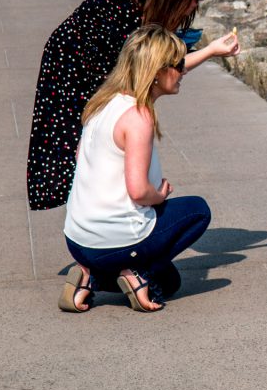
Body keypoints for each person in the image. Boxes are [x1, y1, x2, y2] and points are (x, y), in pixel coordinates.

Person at [27, 0, 241, 211]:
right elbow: (162, 70)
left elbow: (164, 67)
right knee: (79, 141)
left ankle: (95, 212)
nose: (198, 2)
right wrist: (211, 51)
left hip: (85, 61)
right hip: (72, 69)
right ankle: (103, 218)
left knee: (95, 140)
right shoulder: (124, 10)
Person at [60, 24, 212, 313]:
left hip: (77, 239)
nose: (184, 71)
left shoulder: (102, 103)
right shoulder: (138, 116)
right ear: (157, 71)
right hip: (113, 236)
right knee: (198, 211)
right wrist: (160, 194)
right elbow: (138, 190)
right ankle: (121, 274)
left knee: (168, 283)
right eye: (178, 64)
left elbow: (81, 159)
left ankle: (91, 275)